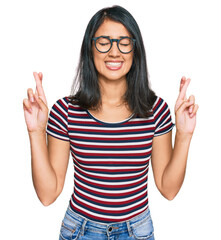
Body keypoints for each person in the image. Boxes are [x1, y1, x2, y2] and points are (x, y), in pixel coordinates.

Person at [23, 5, 199, 240]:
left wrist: (185, 135)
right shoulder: (65, 111)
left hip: (137, 232)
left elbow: (168, 189)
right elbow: (47, 195)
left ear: (135, 50)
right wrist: (36, 131)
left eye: (124, 42)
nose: (114, 52)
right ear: (90, 48)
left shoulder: (155, 110)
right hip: (80, 232)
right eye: (104, 42)